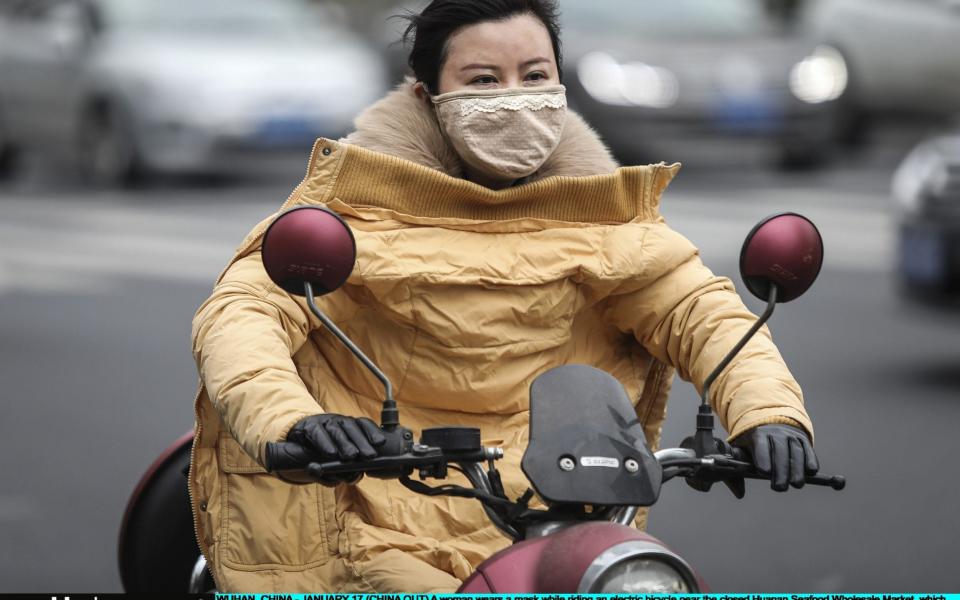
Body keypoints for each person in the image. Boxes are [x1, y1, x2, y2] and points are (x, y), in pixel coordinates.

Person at [188, 0, 819, 592]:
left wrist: (767, 411)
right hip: (371, 517)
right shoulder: (346, 212)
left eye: (534, 75)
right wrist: (293, 421)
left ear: (561, 89)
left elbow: (699, 312)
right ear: (425, 97)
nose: (514, 98)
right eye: (483, 81)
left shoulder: (610, 221)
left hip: (564, 517)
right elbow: (243, 314)